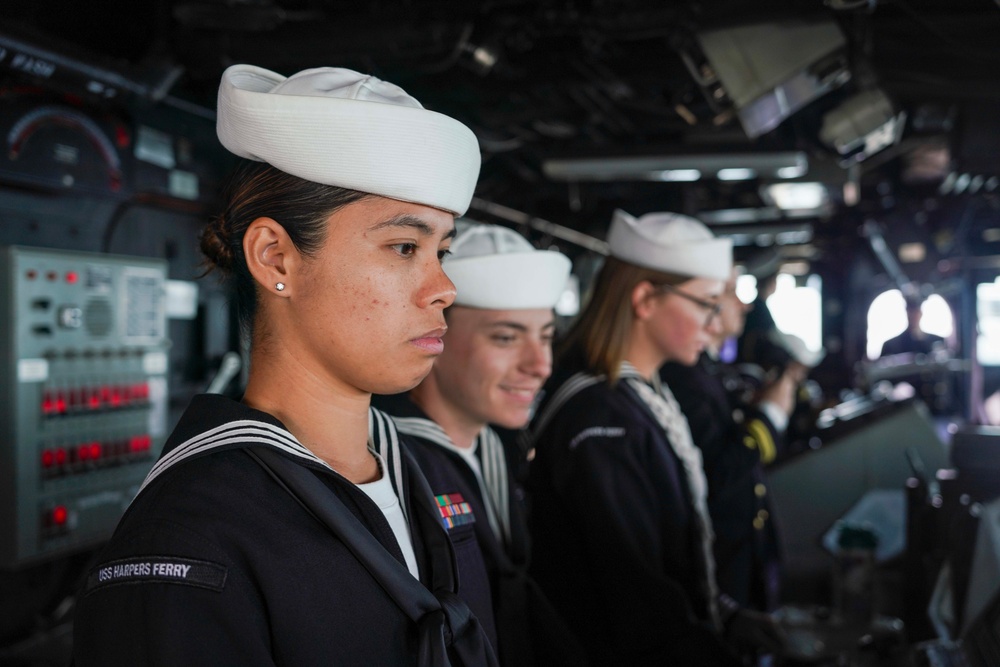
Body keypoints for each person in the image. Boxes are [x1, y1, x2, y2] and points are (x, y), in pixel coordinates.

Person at [72, 64, 498, 666]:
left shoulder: (425, 472)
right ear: (277, 257)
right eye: (405, 247)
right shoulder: (191, 540)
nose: (444, 287)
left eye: (441, 250)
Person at [526, 209, 784, 666]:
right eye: (706, 302)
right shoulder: (601, 419)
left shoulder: (642, 395)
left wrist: (728, 617)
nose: (714, 322)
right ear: (645, 299)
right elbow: (635, 596)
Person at [376, 222, 585, 666]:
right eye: (506, 338)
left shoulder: (497, 447)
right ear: (433, 333)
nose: (541, 365)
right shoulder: (390, 466)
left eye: (546, 336)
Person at [660, 268, 806, 613]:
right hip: (721, 553)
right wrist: (770, 416)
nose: (742, 304)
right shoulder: (683, 378)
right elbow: (717, 473)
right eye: (724, 292)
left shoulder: (707, 373)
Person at [880, 297, 945, 358]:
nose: (913, 315)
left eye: (915, 311)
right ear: (907, 313)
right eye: (910, 312)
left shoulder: (938, 340)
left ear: (920, 313)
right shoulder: (890, 346)